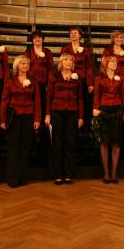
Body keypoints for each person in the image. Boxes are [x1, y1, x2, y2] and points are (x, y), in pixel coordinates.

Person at [0, 55, 41, 188]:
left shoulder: (33, 81)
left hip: (28, 116)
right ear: (17, 65)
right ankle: (13, 178)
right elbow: (4, 100)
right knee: (13, 148)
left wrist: (37, 119)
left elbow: (37, 101)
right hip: (14, 116)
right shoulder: (10, 81)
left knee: (24, 147)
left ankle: (23, 177)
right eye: (22, 63)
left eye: (27, 64)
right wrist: (2, 119)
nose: (25, 66)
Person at [46, 53, 83, 185]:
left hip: (72, 112)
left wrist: (80, 117)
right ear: (61, 62)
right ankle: (57, 174)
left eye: (71, 60)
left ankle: (68, 174)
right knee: (57, 143)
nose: (68, 62)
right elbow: (49, 96)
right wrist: (47, 114)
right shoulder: (54, 76)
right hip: (57, 112)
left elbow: (80, 98)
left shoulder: (76, 77)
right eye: (66, 60)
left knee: (70, 143)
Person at [93, 55, 124, 183]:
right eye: (112, 62)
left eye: (115, 62)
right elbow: (96, 95)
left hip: (118, 111)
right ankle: (106, 173)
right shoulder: (99, 79)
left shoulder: (121, 79)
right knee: (104, 142)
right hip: (104, 111)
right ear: (105, 64)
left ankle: (114, 173)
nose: (114, 63)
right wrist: (95, 109)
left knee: (116, 142)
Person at [26, 30, 53, 159]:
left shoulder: (47, 52)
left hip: (43, 85)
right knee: (32, 110)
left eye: (39, 37)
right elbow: (25, 66)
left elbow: (51, 69)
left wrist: (49, 84)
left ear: (43, 39)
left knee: (42, 110)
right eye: (35, 38)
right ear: (32, 40)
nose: (37, 39)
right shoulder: (28, 52)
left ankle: (41, 139)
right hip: (31, 85)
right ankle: (32, 137)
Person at [60, 26, 94, 122]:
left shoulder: (85, 49)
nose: (73, 35)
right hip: (68, 78)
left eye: (75, 33)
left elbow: (89, 66)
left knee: (82, 101)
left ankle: (82, 121)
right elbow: (61, 64)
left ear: (80, 35)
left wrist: (90, 83)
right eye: (71, 33)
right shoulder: (65, 48)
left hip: (82, 79)